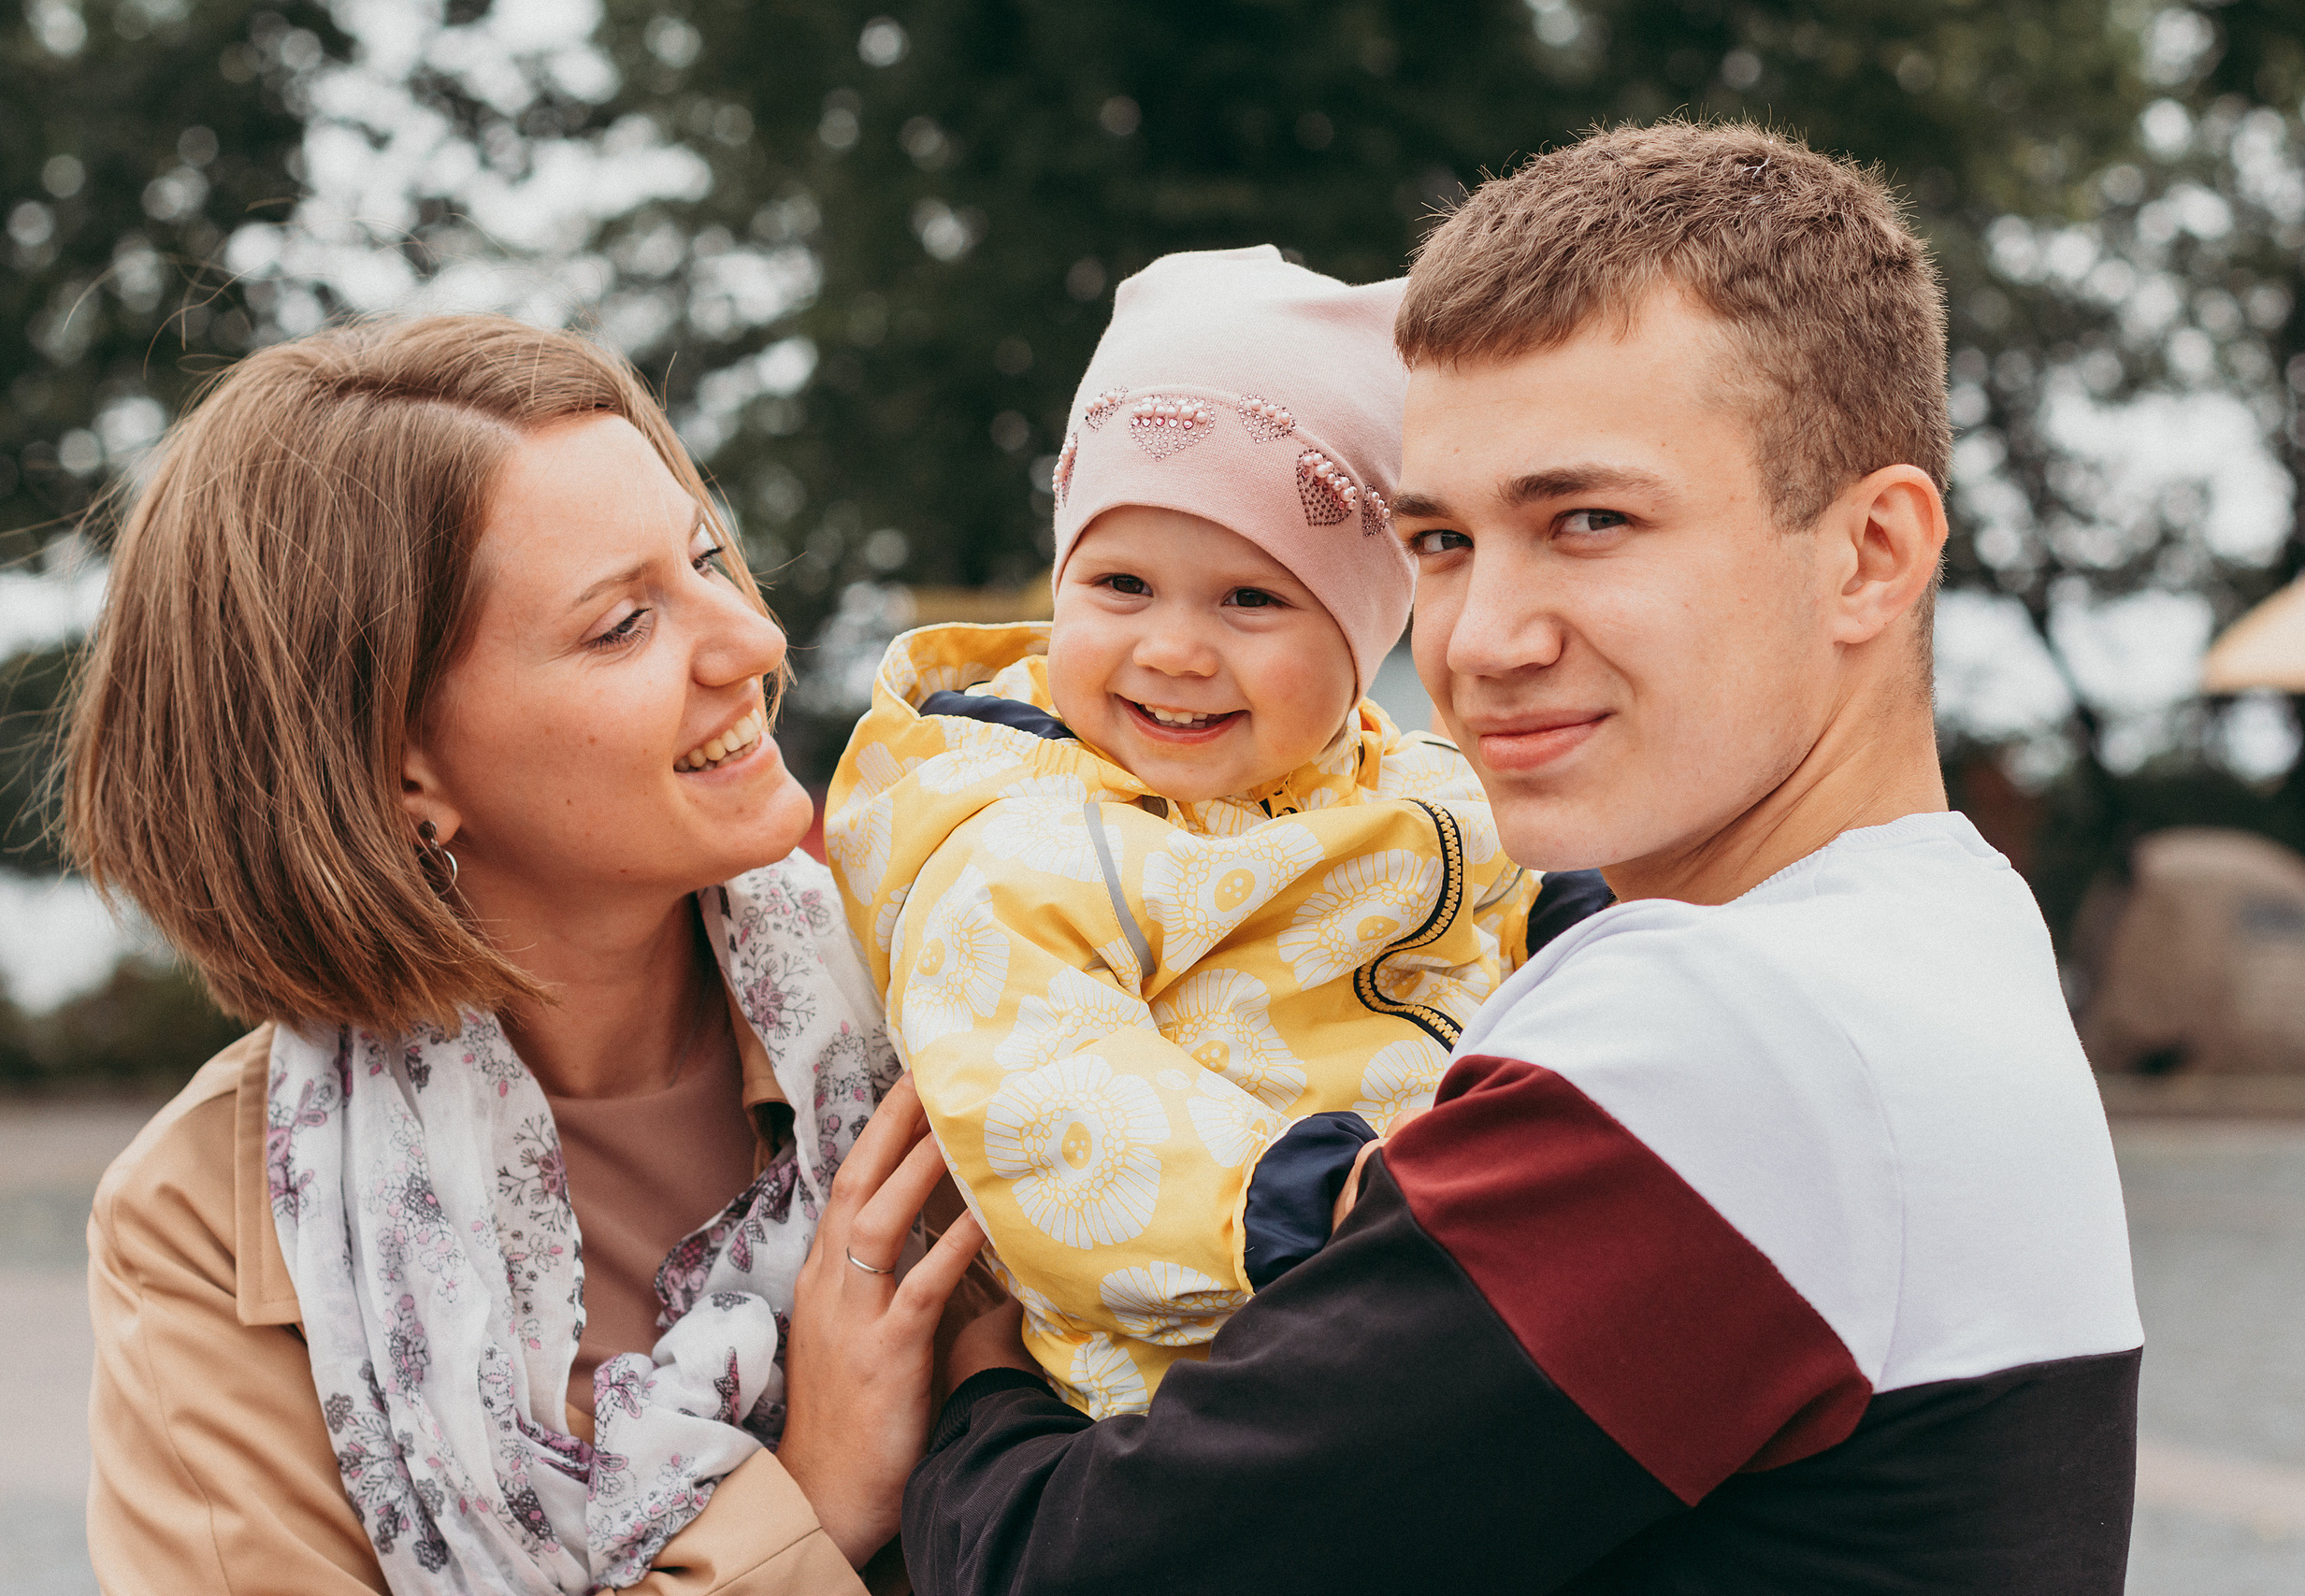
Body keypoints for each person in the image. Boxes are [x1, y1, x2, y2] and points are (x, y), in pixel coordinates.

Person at [886, 122, 2146, 1593]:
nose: (1483, 640)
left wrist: (963, 1376)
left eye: (1588, 521)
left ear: (1871, 553)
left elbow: (1090, 1570)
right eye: (1440, 541)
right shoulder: (1947, 929)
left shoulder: (1726, 1040)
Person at [70, 315, 984, 1594]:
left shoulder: (970, 1003)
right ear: (398, 768)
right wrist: (813, 1505)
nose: (752, 643)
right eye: (624, 624)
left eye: (709, 557)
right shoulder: (206, 1230)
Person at [822, 247, 1600, 1417]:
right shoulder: (1011, 848)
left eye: (1250, 599)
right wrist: (1312, 1198)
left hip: (1450, 1276)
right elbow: (1047, 1098)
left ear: (1361, 635)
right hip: (1201, 1359)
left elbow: (1521, 887)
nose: (1175, 650)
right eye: (1122, 585)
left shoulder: (1412, 786)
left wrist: (1590, 920)